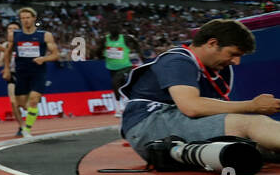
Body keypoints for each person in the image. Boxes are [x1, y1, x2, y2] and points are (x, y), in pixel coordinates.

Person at [120, 18, 280, 163]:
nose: (236, 62)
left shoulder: (220, 70)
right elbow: (191, 107)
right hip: (148, 124)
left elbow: (215, 113)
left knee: (263, 146)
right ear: (212, 43)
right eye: (233, 54)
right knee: (251, 124)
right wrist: (252, 106)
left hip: (173, 120)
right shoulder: (177, 60)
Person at [3, 7, 60, 137]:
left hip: (38, 72)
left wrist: (43, 58)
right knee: (22, 104)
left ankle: (27, 129)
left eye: (28, 17)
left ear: (34, 18)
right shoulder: (15, 35)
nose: (25, 21)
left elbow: (56, 55)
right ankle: (32, 112)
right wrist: (6, 69)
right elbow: (7, 53)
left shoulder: (45, 35)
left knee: (33, 99)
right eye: (23, 18)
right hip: (21, 73)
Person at [103, 12, 143, 113]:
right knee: (117, 86)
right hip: (111, 67)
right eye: (111, 25)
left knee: (115, 83)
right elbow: (98, 50)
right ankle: (121, 105)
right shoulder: (105, 39)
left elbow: (135, 43)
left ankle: (121, 107)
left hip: (125, 66)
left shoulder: (125, 38)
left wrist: (139, 53)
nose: (113, 27)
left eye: (116, 25)